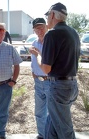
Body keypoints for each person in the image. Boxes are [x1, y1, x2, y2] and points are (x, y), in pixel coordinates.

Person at [32, 2, 80, 139]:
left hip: (59, 88)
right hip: (71, 86)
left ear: (52, 14)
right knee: (51, 126)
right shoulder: (74, 33)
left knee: (65, 130)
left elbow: (46, 68)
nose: (47, 18)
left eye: (48, 15)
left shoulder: (52, 34)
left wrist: (37, 56)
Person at [29, 18, 48, 139]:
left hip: (50, 81)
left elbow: (49, 62)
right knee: (39, 111)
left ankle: (52, 134)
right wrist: (33, 73)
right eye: (37, 28)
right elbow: (34, 62)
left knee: (52, 112)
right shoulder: (34, 44)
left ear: (46, 27)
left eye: (41, 27)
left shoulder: (51, 42)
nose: (39, 30)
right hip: (38, 81)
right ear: (34, 30)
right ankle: (42, 134)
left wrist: (37, 54)